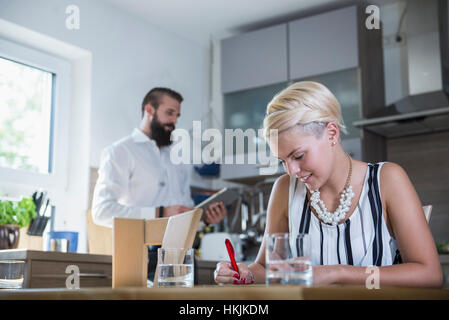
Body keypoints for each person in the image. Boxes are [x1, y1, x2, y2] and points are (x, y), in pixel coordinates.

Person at [214, 81, 443, 288]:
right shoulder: (285, 189)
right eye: (282, 161)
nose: (291, 171)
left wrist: (338, 273)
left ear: (331, 133)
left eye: (298, 155)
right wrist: (244, 272)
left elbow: (429, 274)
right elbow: (266, 268)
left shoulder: (387, 179)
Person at [92, 87, 227, 280]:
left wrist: (204, 219)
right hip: (141, 257)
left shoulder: (178, 156)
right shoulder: (120, 152)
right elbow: (101, 212)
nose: (174, 121)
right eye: (169, 113)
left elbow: (181, 211)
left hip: (184, 256)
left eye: (177, 115)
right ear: (149, 110)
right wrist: (159, 213)